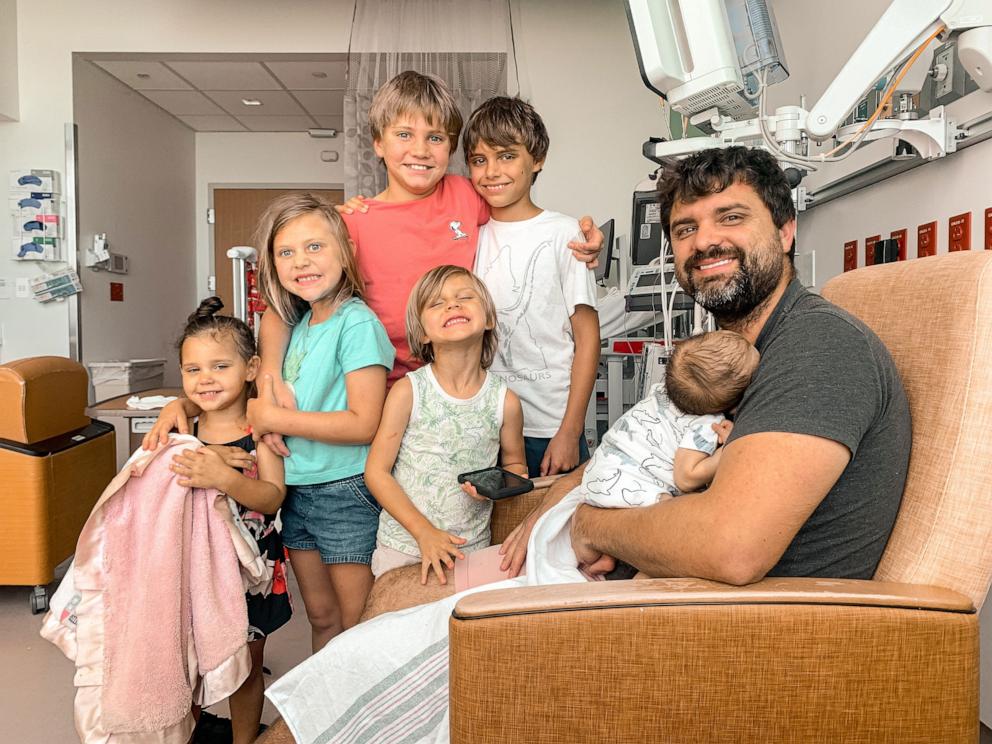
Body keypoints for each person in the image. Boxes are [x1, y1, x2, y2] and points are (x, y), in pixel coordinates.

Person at [255, 72, 603, 456]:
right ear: (378, 143)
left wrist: (581, 232)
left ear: (450, 148)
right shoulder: (351, 223)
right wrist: (271, 380)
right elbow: (284, 306)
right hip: (385, 401)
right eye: (404, 134)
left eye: (435, 138)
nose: (420, 150)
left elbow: (522, 212)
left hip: (462, 397)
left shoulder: (466, 194)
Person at [149, 194, 395, 654]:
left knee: (359, 623)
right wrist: (180, 405)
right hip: (297, 490)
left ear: (345, 251)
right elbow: (227, 385)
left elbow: (364, 424)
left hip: (344, 490)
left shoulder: (356, 324)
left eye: (315, 247)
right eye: (286, 252)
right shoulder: (300, 326)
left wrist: (273, 416)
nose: (301, 261)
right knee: (320, 619)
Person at [170, 297, 291, 744]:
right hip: (192, 566)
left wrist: (222, 475)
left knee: (246, 662)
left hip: (250, 570)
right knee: (189, 660)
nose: (205, 379)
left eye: (219, 366)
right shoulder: (182, 431)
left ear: (250, 367)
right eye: (192, 369)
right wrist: (190, 444)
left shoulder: (263, 430)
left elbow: (273, 496)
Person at [365, 265, 528, 586]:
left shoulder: (505, 402)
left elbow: (516, 465)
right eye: (437, 303)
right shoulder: (408, 391)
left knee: (456, 634)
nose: (452, 305)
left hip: (471, 549)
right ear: (423, 333)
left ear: (489, 319)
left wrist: (496, 488)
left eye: (464, 297)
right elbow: (376, 472)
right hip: (404, 546)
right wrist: (424, 534)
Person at [465, 96, 600, 477]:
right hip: (485, 426)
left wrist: (570, 431)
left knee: (557, 532)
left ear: (536, 159)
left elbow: (588, 339)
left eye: (506, 156)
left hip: (548, 425)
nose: (492, 171)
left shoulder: (565, 233)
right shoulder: (468, 235)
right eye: (479, 160)